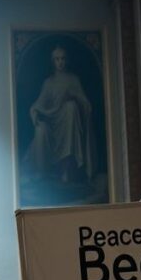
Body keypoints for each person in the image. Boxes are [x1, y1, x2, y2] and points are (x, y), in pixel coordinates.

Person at [25, 45, 93, 184]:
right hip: (52, 122)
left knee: (71, 107)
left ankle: (66, 169)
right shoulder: (49, 82)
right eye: (57, 59)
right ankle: (42, 171)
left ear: (66, 60)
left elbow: (84, 102)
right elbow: (40, 103)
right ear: (53, 61)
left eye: (63, 59)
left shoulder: (73, 79)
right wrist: (35, 112)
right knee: (41, 130)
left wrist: (76, 98)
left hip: (69, 123)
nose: (60, 62)